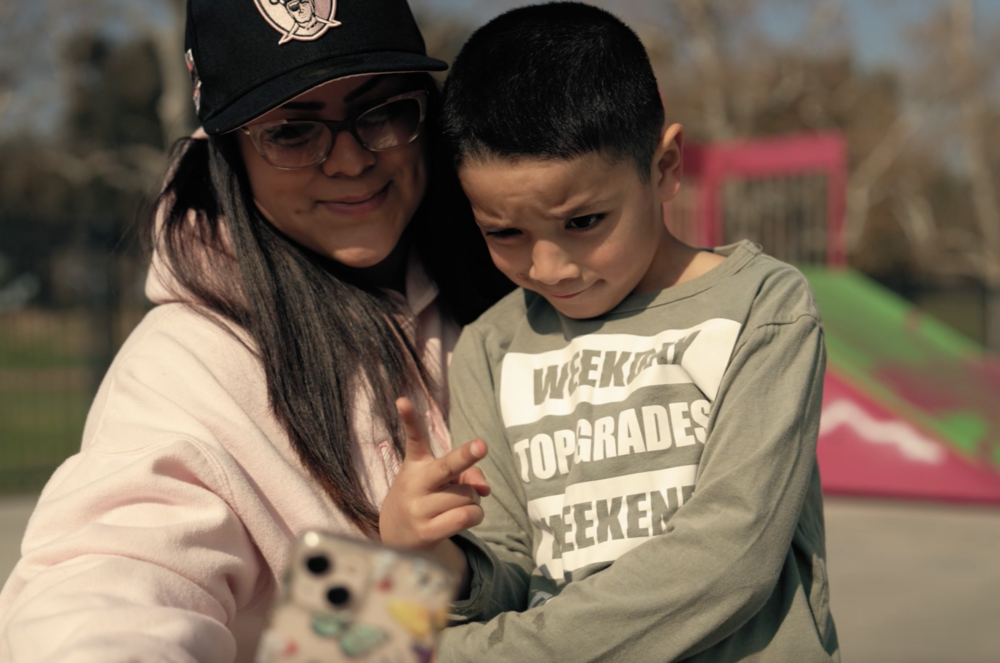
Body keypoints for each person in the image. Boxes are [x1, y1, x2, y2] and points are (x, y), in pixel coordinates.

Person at [0, 1, 509, 661]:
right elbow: (106, 584)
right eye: (294, 132)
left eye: (382, 112)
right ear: (229, 153)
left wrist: (426, 572)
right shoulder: (187, 367)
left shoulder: (526, 281)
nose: (350, 160)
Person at [379, 4, 840, 661]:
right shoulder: (492, 345)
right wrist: (434, 554)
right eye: (504, 232)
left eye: (585, 221)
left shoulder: (762, 306)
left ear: (665, 167)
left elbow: (731, 557)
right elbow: (510, 565)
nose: (548, 266)